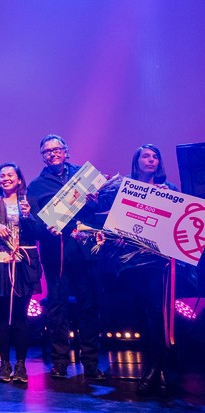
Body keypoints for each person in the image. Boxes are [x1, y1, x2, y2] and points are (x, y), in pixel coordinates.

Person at [27, 134, 105, 380]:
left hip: (84, 252)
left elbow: (100, 209)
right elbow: (34, 223)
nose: (52, 153)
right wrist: (46, 228)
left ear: (66, 151)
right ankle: (60, 361)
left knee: (88, 307)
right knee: (57, 308)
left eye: (56, 149)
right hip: (55, 254)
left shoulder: (83, 176)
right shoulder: (36, 186)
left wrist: (95, 202)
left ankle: (91, 363)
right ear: (42, 156)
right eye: (47, 151)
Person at [0, 163, 42, 383]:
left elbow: (39, 232)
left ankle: (21, 366)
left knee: (21, 316)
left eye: (10, 175)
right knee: (1, 317)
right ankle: (4, 365)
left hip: (23, 265)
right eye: (2, 175)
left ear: (20, 180)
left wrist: (28, 216)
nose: (5, 178)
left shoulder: (29, 202)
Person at [122, 144, 178, 396]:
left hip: (160, 265)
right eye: (146, 156)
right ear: (137, 162)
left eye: (156, 157)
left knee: (159, 315)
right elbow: (120, 225)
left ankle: (159, 367)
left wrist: (170, 202)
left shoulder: (171, 191)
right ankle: (152, 366)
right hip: (134, 266)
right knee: (142, 315)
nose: (152, 160)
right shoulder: (127, 190)